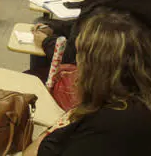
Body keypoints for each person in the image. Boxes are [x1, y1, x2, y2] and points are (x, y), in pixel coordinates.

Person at [24, 12, 151, 155]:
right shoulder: (136, 103)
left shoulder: (103, 125)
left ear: (93, 68)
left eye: (79, 55)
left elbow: (32, 153)